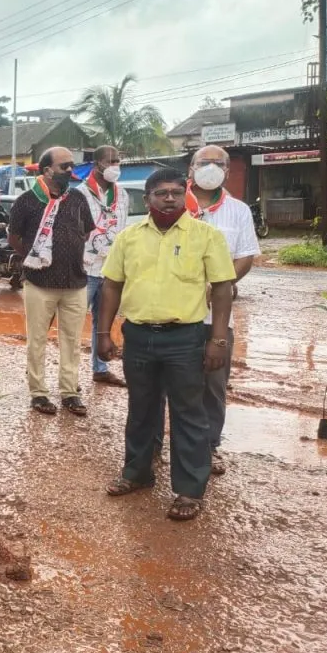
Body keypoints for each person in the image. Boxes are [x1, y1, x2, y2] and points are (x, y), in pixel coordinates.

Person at [97, 168, 235, 521]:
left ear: (184, 195)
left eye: (176, 192)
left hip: (185, 338)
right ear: (148, 199)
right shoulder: (128, 238)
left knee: (189, 413)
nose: (170, 198)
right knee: (141, 409)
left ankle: (189, 490)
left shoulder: (206, 236)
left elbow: (222, 288)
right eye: (161, 193)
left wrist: (217, 339)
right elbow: (111, 285)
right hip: (139, 336)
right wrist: (102, 333)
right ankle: (137, 473)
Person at [179, 145, 260, 476]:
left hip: (215, 315)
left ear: (228, 171)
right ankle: (157, 443)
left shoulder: (239, 211)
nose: (210, 167)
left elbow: (246, 256)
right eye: (204, 162)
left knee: (213, 384)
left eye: (218, 163)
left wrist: (219, 286)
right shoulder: (174, 204)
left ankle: (208, 446)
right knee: (170, 383)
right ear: (191, 168)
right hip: (175, 313)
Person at [8, 147, 94, 416]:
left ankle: (69, 392)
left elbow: (87, 231)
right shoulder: (26, 201)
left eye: (72, 166)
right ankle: (39, 393)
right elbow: (14, 237)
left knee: (72, 340)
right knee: (37, 340)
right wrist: (32, 257)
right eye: (64, 166)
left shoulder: (78, 198)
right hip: (39, 284)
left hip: (75, 284)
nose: (71, 170)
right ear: (47, 171)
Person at [73, 146, 129, 387]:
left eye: (118, 162)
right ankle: (69, 376)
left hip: (110, 270)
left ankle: (100, 369)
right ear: (97, 165)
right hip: (84, 268)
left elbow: (122, 230)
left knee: (104, 323)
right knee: (73, 324)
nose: (116, 166)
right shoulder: (79, 194)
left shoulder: (123, 195)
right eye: (111, 162)